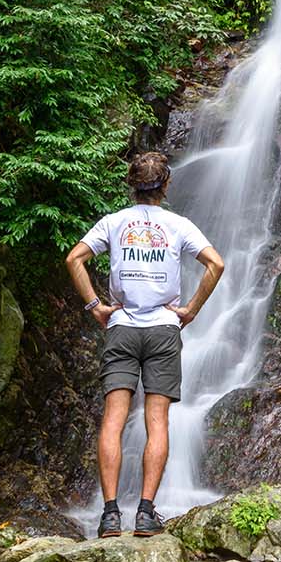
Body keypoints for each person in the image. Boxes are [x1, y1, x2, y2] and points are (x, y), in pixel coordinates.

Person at [65, 151, 225, 538]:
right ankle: (146, 514)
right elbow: (216, 265)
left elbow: (74, 259)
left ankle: (108, 516)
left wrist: (95, 307)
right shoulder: (178, 225)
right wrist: (190, 310)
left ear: (131, 185)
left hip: (120, 327)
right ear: (165, 186)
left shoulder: (114, 223)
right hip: (163, 331)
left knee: (113, 421)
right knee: (157, 422)